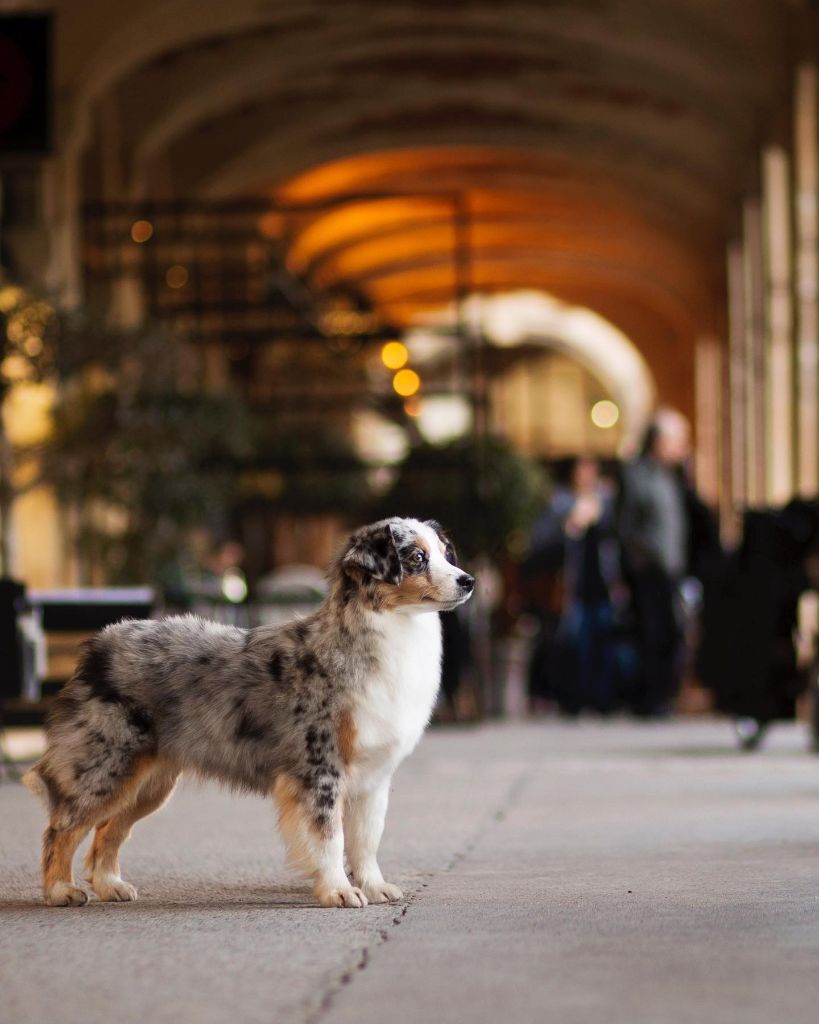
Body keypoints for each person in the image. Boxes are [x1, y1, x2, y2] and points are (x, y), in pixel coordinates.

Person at [617, 408, 712, 717]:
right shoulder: (637, 475)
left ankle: (662, 697)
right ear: (658, 442)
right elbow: (627, 525)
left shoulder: (675, 479)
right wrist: (637, 562)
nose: (683, 447)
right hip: (647, 570)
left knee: (671, 635)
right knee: (651, 634)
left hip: (672, 570)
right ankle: (648, 701)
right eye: (677, 440)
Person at [529, 456, 620, 715]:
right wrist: (570, 525)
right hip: (572, 587)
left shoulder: (606, 501)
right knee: (572, 644)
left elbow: (617, 540)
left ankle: (599, 700)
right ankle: (572, 701)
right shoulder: (559, 503)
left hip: (601, 586)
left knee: (601, 643)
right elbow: (541, 542)